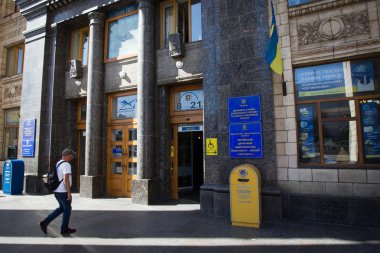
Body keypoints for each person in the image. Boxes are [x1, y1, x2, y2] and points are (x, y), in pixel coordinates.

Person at [39, 148, 77, 235]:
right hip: (63, 192)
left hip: (56, 191)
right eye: (71, 155)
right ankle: (64, 229)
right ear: (67, 156)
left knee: (61, 208)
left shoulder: (58, 163)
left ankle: (45, 222)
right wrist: (69, 193)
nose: (72, 157)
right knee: (67, 209)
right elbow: (66, 180)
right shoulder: (66, 165)